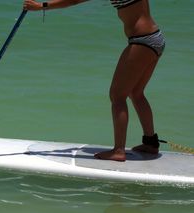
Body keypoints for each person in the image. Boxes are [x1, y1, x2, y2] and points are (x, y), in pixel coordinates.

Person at [23, 0, 165, 162]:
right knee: (136, 93)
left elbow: (73, 0)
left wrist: (42, 6)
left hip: (142, 41)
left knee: (117, 96)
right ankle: (150, 143)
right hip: (155, 38)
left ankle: (119, 151)